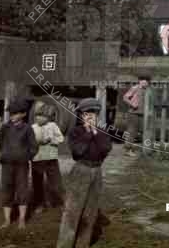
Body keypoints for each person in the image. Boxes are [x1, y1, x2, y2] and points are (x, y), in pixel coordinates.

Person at [57, 98, 112, 248]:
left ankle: (83, 244)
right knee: (72, 210)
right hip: (81, 170)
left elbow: (105, 149)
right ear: (81, 115)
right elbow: (78, 151)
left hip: (97, 171)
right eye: (87, 113)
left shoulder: (102, 132)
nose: (90, 116)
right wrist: (88, 133)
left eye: (94, 113)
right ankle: (64, 245)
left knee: (90, 212)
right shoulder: (75, 132)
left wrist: (95, 132)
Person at [0, 96, 37, 230]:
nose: (12, 116)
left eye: (16, 113)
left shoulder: (27, 129)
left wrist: (25, 157)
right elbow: (0, 143)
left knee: (22, 190)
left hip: (22, 165)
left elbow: (33, 147)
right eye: (11, 113)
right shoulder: (5, 128)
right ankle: (7, 220)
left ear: (24, 114)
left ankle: (22, 220)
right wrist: (5, 154)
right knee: (7, 189)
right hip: (7, 164)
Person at [30, 101, 65, 214]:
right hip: (37, 158)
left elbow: (61, 139)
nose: (38, 119)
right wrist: (37, 142)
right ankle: (39, 204)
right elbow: (29, 142)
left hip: (51, 158)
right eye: (37, 116)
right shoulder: (32, 128)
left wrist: (51, 140)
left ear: (49, 118)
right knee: (37, 182)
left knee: (55, 182)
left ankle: (59, 202)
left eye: (42, 116)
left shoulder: (53, 126)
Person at [122, 76, 150, 156]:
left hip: (142, 114)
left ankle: (144, 149)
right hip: (133, 113)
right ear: (140, 81)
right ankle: (127, 150)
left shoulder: (146, 90)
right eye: (143, 81)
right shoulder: (135, 88)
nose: (145, 83)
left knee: (142, 131)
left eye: (147, 82)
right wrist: (132, 104)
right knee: (131, 131)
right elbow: (125, 97)